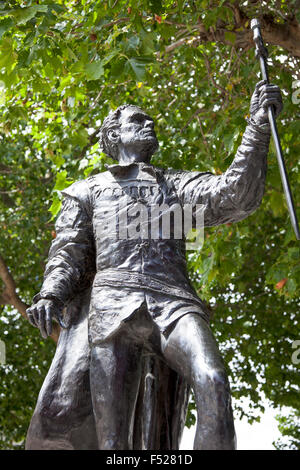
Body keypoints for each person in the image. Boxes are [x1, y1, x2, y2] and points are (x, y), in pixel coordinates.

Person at [26, 80, 282, 450]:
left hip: (174, 302)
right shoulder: (86, 191)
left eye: (150, 122)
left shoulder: (175, 185)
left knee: (213, 379)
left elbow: (234, 195)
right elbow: (68, 251)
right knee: (113, 444)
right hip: (111, 308)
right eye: (138, 121)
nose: (150, 125)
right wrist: (51, 293)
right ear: (114, 134)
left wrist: (258, 125)